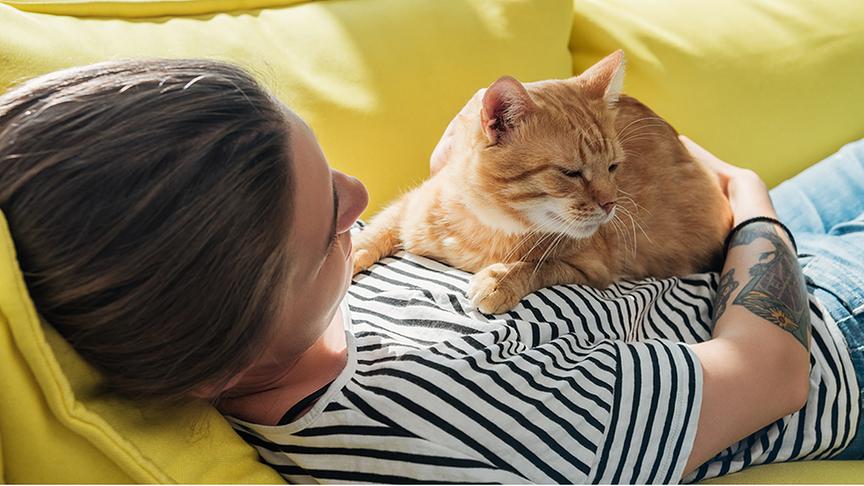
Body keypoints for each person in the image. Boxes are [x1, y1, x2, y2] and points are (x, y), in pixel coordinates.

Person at [0, 58, 860, 484]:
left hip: (717, 256)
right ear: (219, 352)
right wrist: (751, 202)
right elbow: (773, 374)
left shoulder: (280, 314)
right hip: (821, 326)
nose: (361, 198)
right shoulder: (459, 424)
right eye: (329, 223)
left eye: (328, 170)